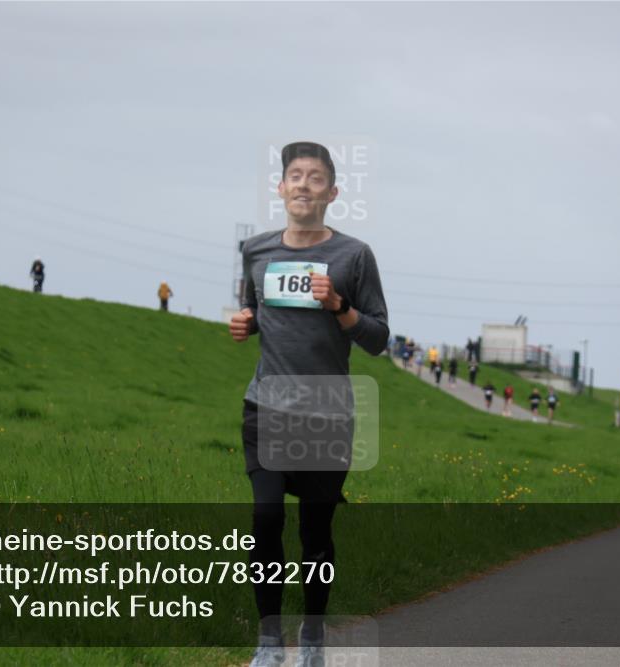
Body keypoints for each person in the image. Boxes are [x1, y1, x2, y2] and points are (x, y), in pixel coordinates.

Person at [229, 141, 389, 667]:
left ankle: (313, 639)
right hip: (266, 407)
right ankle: (269, 643)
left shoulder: (354, 256)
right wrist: (246, 322)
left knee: (315, 534)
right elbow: (253, 310)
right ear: (280, 188)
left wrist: (338, 305)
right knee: (265, 517)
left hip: (327, 413)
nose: (303, 183)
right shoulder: (255, 251)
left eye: (315, 177)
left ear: (332, 193)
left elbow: (377, 338)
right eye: (294, 175)